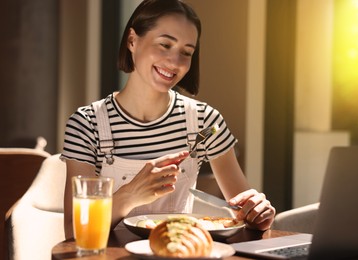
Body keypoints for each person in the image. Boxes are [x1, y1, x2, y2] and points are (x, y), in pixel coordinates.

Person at [61, 0, 275, 239]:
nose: (175, 62)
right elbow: (74, 231)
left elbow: (243, 215)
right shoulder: (87, 124)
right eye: (165, 44)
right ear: (132, 40)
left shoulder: (205, 123)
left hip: (181, 252)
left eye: (186, 52)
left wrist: (257, 214)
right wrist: (131, 194)